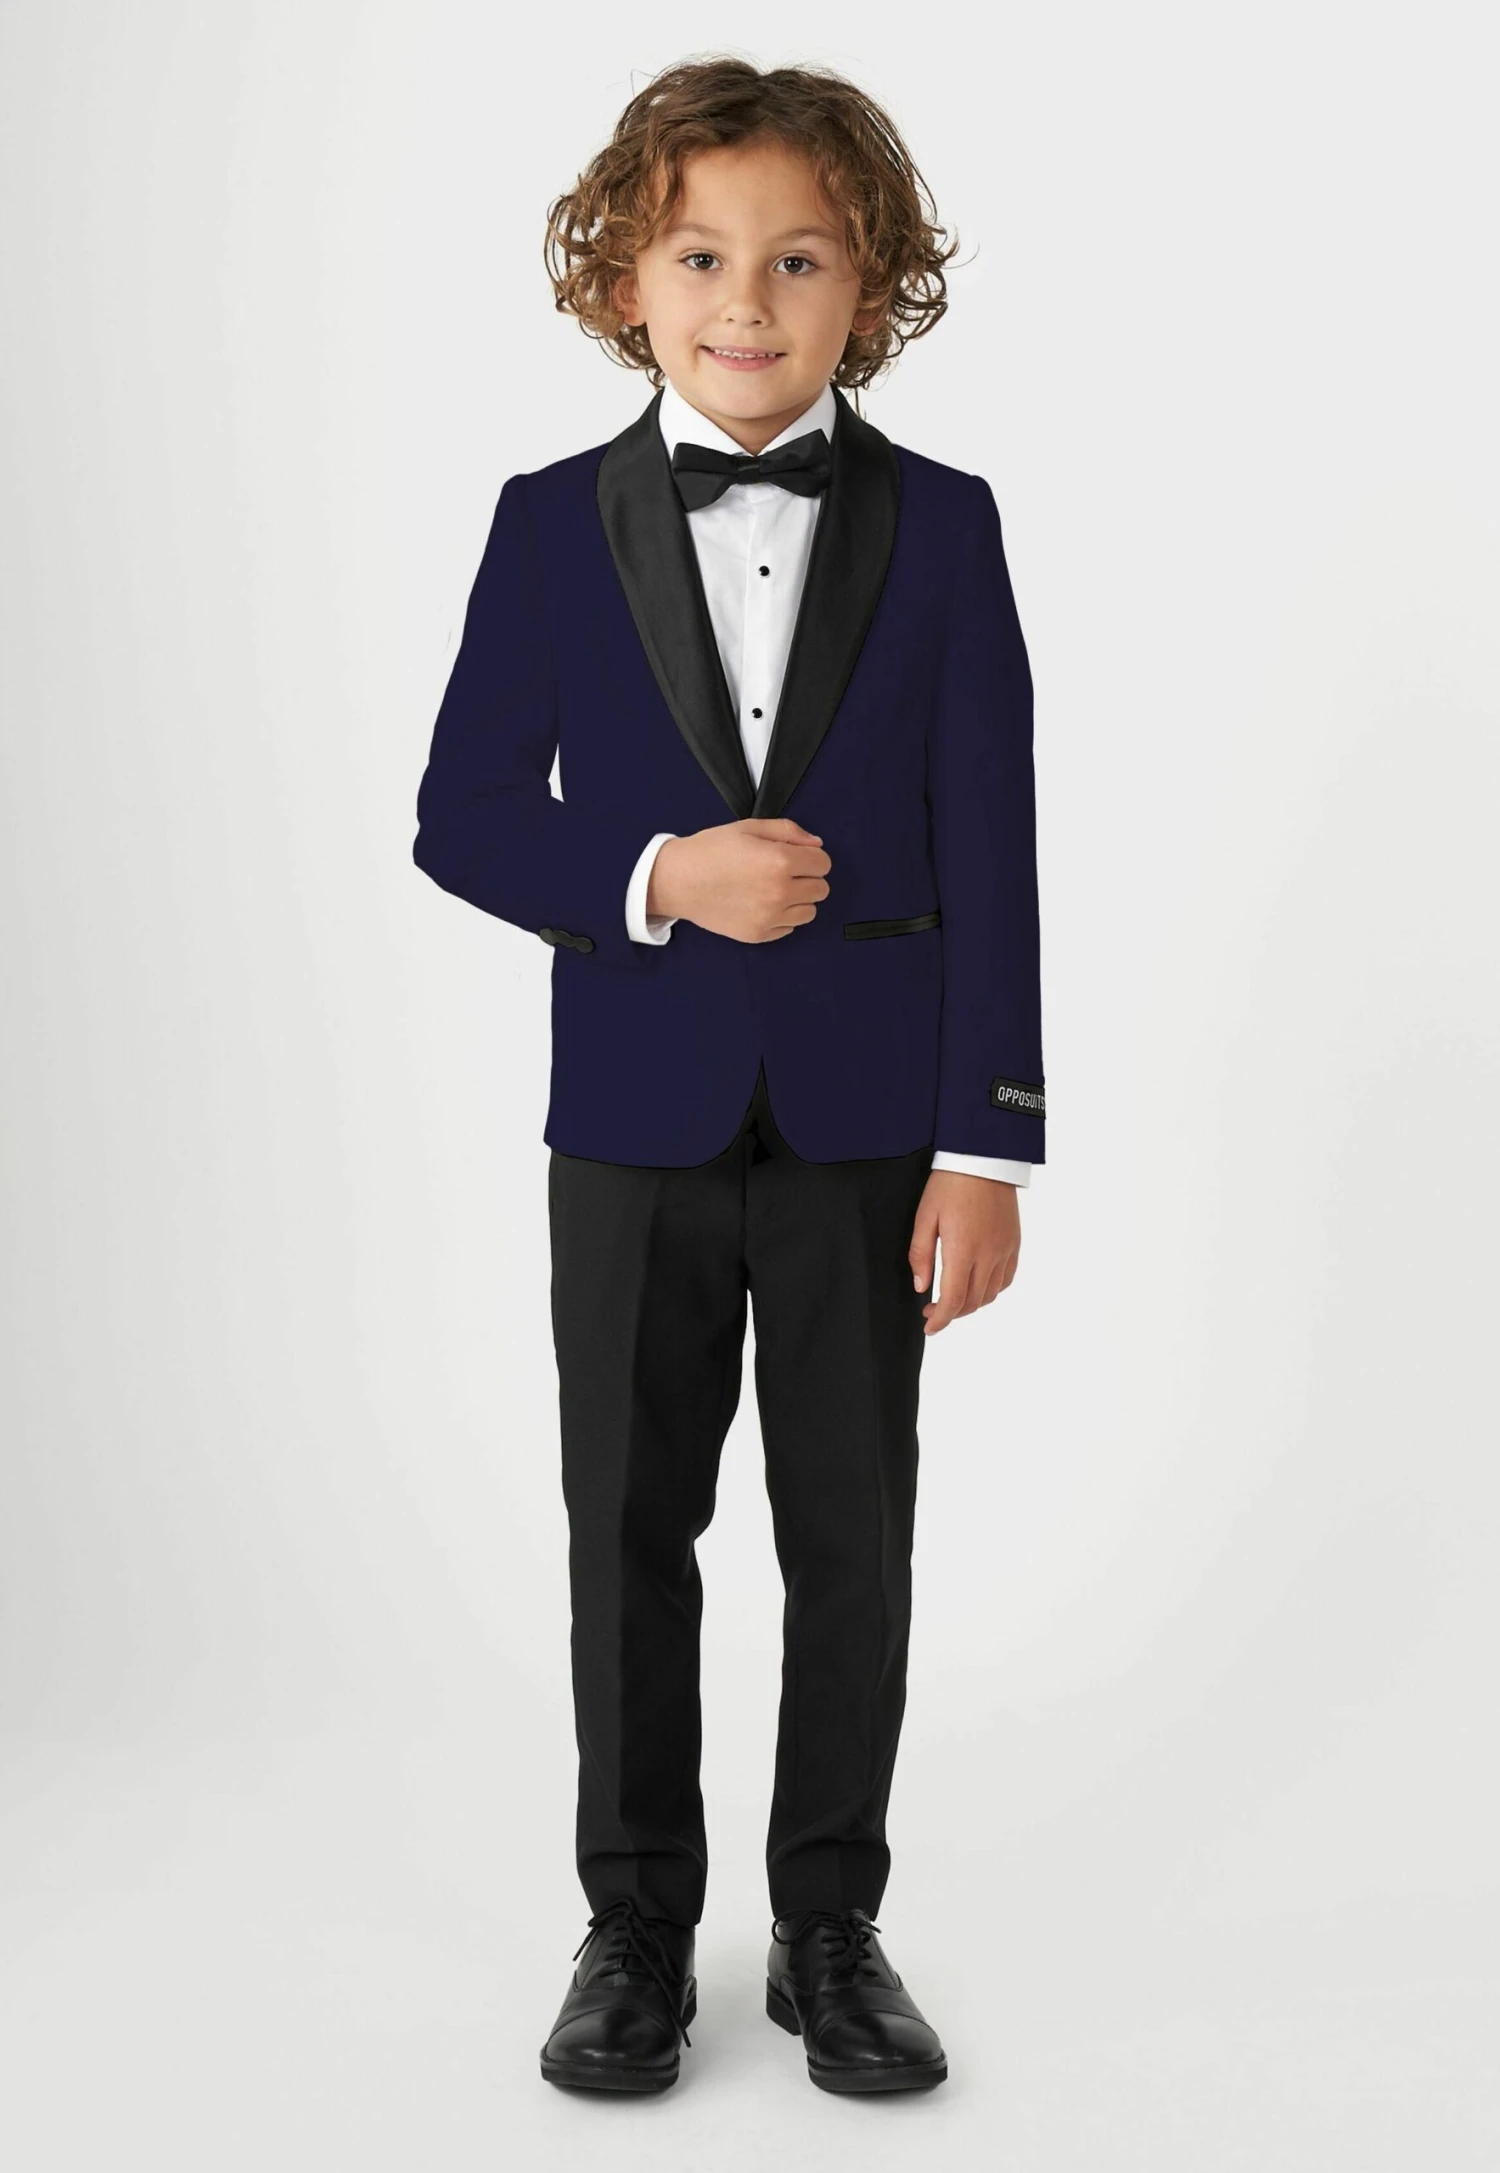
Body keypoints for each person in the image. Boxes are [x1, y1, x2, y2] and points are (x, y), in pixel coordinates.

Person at [412, 54, 1045, 2096]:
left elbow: (996, 841)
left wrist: (989, 1146)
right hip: (633, 1122)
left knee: (854, 1536)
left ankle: (831, 1925)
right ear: (624, 279)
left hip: (875, 1128)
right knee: (627, 1532)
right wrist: (659, 876)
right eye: (700, 257)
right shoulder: (548, 525)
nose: (747, 301)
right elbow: (461, 814)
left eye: (800, 259)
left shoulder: (946, 528)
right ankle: (635, 1929)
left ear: (876, 287)